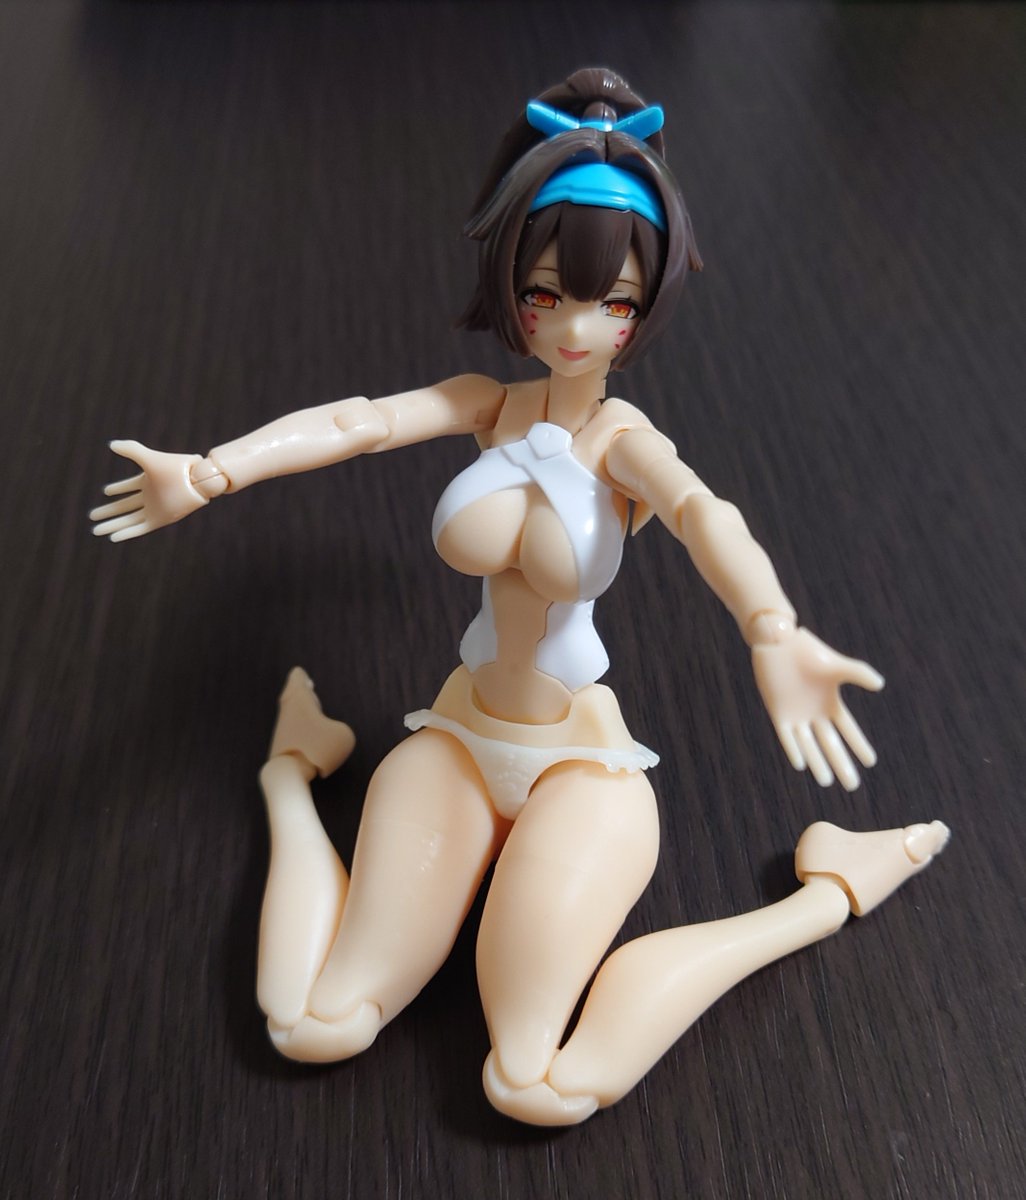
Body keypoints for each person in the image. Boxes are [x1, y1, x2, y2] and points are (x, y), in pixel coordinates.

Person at [91, 68, 947, 1126]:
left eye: (613, 303)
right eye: (548, 295)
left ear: (644, 309)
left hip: (580, 772)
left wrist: (773, 629)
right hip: (457, 742)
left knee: (534, 1080)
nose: (577, 327)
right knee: (312, 1023)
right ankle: (288, 772)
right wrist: (213, 471)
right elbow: (358, 421)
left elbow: (702, 513)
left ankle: (825, 893)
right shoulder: (487, 405)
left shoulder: (622, 441)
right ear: (511, 288)